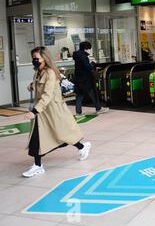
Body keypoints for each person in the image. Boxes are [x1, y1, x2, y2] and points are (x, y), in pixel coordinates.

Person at [23, 47, 92, 178]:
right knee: (37, 138)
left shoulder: (50, 73)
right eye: (33, 58)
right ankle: (38, 166)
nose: (34, 61)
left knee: (62, 134)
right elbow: (41, 87)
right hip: (42, 112)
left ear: (44, 58)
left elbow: (48, 94)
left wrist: (34, 111)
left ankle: (83, 147)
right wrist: (32, 85)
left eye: (37, 58)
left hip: (52, 110)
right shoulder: (38, 72)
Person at [73, 41, 109, 117]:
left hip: (78, 79)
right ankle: (98, 108)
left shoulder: (77, 55)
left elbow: (82, 67)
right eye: (89, 48)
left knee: (79, 95)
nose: (90, 50)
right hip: (85, 79)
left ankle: (78, 112)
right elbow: (87, 67)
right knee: (92, 93)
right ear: (86, 49)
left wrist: (94, 67)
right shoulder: (83, 56)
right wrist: (93, 63)